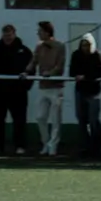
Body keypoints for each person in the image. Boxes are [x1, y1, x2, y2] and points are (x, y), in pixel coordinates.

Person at [0, 22, 32, 154]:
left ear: (14, 34)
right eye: (5, 35)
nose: (7, 38)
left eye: (9, 35)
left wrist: (26, 86)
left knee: (19, 120)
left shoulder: (24, 51)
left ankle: (20, 146)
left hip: (18, 92)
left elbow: (31, 68)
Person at [31, 20, 66, 157]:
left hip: (56, 87)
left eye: (40, 31)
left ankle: (53, 145)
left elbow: (60, 66)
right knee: (40, 117)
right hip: (43, 87)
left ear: (47, 32)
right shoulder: (39, 46)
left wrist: (50, 73)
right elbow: (33, 62)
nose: (38, 33)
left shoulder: (60, 46)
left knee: (55, 119)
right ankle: (45, 142)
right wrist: (26, 72)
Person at [70, 33, 101, 156]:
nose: (85, 48)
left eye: (88, 45)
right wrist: (78, 76)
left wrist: (86, 76)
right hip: (80, 90)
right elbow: (72, 71)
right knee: (81, 119)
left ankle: (97, 146)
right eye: (83, 45)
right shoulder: (76, 55)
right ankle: (84, 147)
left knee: (93, 119)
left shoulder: (97, 56)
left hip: (94, 91)